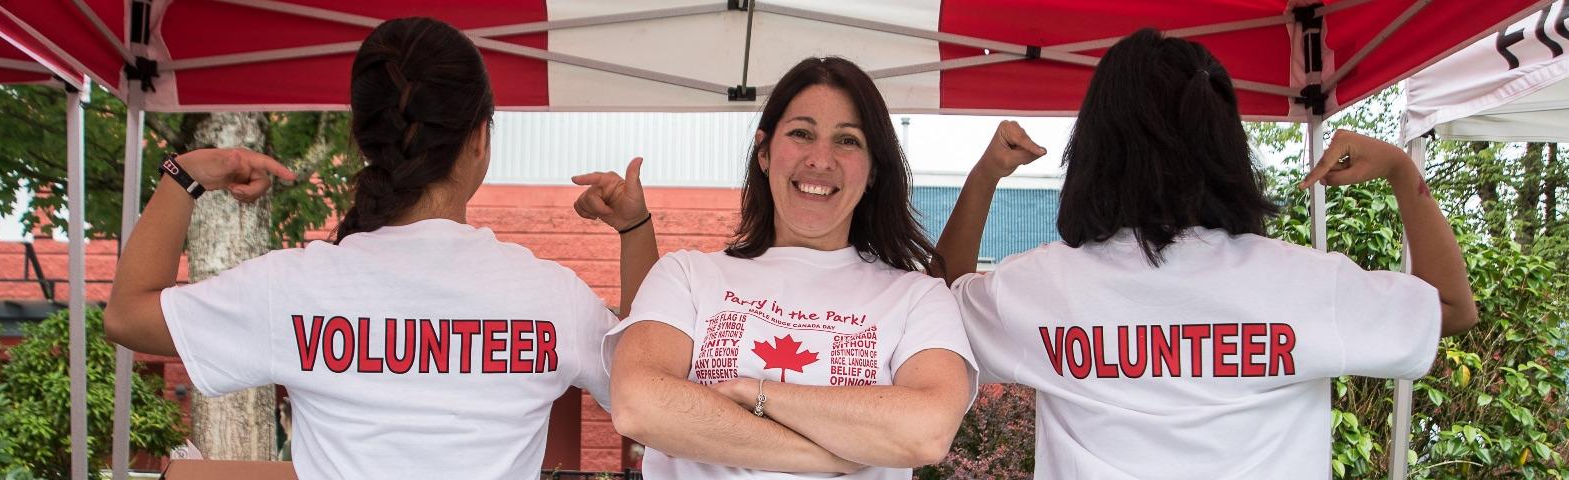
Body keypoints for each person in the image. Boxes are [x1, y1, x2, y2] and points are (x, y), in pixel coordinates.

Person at [929, 28, 1480, 479]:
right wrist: (1403, 172)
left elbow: (944, 300)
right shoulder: (1303, 281)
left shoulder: (1044, 285)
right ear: (1225, 143)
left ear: (1096, 145)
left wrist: (986, 175)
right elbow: (1451, 308)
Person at [104, 17, 633, 479]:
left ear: (362, 139)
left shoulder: (296, 288)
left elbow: (128, 315)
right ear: (479, 138)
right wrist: (635, 229)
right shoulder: (548, 297)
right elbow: (646, 373)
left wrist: (184, 175)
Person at [576, 57, 976, 479]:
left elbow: (926, 432)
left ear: (874, 168)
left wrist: (754, 393)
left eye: (848, 141)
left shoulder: (917, 296)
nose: (821, 159)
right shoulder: (687, 275)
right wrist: (831, 455)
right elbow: (640, 405)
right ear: (764, 152)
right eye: (802, 134)